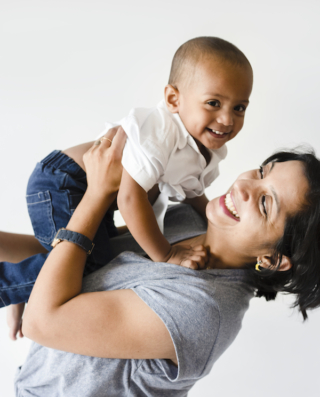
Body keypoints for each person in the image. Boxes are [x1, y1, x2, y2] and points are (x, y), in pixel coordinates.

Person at [9, 127, 320, 396]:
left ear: (273, 259)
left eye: (265, 202)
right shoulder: (193, 225)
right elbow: (78, 254)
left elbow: (41, 322)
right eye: (262, 172)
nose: (243, 186)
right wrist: (34, 282)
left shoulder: (202, 309)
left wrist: (98, 193)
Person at [2, 36, 253, 339]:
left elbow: (193, 192)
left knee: (89, 256)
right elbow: (131, 199)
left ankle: (18, 275)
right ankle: (9, 288)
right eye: (213, 103)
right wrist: (167, 254)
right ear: (174, 99)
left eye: (239, 107)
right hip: (64, 181)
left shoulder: (208, 148)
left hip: (89, 190)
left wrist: (210, 218)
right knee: (86, 266)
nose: (227, 119)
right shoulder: (162, 133)